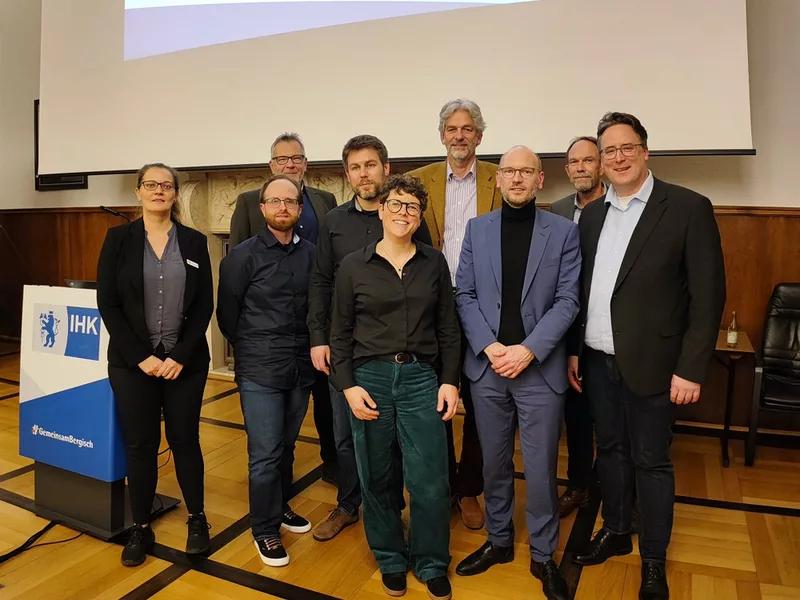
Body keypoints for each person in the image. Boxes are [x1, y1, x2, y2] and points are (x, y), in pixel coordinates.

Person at [570, 112, 726, 600]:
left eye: (627, 148)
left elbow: (707, 297)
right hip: (597, 361)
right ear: (600, 160)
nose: (618, 158)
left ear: (645, 151)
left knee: (652, 461)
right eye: (609, 151)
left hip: (657, 366)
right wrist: (575, 351)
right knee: (611, 453)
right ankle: (617, 531)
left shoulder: (687, 207)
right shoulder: (591, 215)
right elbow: (583, 292)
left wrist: (691, 368)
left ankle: (654, 558)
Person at [454, 147, 579, 600]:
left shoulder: (563, 232)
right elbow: (464, 294)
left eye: (526, 171)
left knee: (542, 469)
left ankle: (543, 555)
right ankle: (500, 540)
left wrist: (527, 351)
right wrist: (489, 347)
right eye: (509, 171)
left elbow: (567, 300)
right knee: (494, 462)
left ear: (540, 179)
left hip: (538, 369)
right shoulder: (477, 229)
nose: (517, 178)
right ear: (498, 178)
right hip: (488, 367)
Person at [330, 174, 460, 600]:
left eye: (412, 207)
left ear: (419, 216)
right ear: (382, 210)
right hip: (370, 380)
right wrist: (347, 386)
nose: (404, 213)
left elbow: (448, 329)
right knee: (377, 474)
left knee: (430, 477)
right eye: (396, 204)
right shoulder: (354, 266)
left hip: (421, 378)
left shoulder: (434, 263)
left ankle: (430, 560)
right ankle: (389, 557)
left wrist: (450, 381)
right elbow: (339, 332)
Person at [307, 135, 432, 542]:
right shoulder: (333, 222)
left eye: (371, 165)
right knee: (345, 434)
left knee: (392, 439)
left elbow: (426, 277)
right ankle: (348, 504)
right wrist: (318, 337)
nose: (364, 174)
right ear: (347, 174)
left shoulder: (407, 215)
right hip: (345, 349)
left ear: (386, 168)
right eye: (356, 167)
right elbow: (320, 281)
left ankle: (391, 510)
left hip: (393, 352)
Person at [97, 163, 213, 566]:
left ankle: (197, 519)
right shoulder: (118, 240)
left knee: (185, 441)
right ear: (138, 192)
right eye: (151, 184)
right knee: (140, 445)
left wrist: (179, 355)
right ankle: (141, 526)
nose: (159, 191)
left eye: (166, 185)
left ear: (176, 193)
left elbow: (204, 304)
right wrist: (141, 357)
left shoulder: (195, 241)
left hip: (186, 364)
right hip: (133, 364)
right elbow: (108, 303)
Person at [407, 98, 503, 529]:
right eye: (452, 129)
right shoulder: (418, 181)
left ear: (479, 136)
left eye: (467, 129)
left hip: (485, 306)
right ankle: (443, 483)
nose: (459, 136)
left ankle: (469, 489)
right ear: (442, 135)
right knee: (436, 398)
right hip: (432, 304)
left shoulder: (501, 178)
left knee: (481, 402)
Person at [228, 132, 339, 486]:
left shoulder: (325, 200)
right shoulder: (248, 202)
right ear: (271, 164)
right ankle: (274, 500)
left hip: (312, 337)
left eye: (296, 158)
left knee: (320, 410)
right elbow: (233, 288)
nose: (289, 164)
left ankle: (332, 466)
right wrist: (250, 343)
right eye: (282, 159)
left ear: (306, 162)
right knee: (269, 441)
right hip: (266, 347)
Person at [217, 174, 316, 566]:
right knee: (265, 454)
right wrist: (256, 349)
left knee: (287, 446)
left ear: (300, 208)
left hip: (301, 366)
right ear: (262, 208)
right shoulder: (241, 257)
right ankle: (264, 529)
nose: (282, 207)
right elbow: (228, 316)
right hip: (260, 369)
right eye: (275, 201)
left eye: (290, 201)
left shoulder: (313, 254)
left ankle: (280, 506)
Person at [549, 136, 605, 517]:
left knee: (616, 420)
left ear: (601, 165)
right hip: (568, 327)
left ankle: (619, 494)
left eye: (588, 160)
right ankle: (579, 485)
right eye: (575, 162)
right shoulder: (556, 210)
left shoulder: (617, 206)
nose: (581, 167)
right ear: (567, 169)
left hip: (608, 323)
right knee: (577, 413)